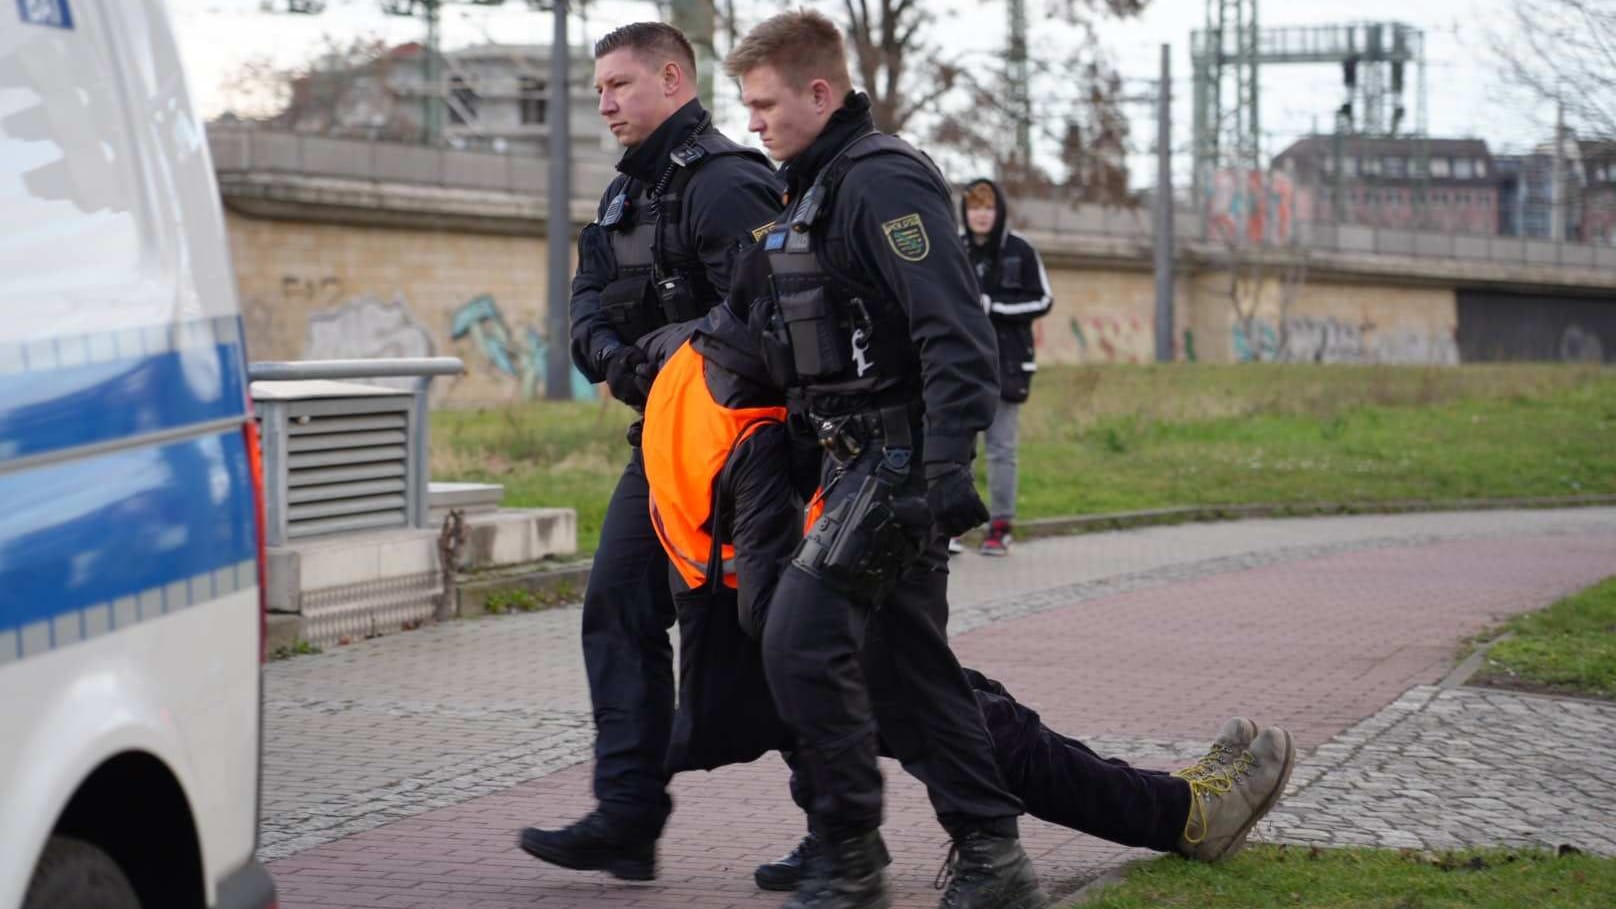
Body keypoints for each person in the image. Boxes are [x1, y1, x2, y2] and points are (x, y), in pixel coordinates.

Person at [631, 312, 1297, 894]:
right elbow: (766, 602)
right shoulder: (761, 429)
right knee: (983, 726)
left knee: (978, 708)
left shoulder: (690, 362)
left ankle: (1173, 798)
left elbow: (628, 359)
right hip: (792, 648)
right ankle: (1184, 813)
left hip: (754, 646)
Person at [720, 12, 1041, 908]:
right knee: (909, 676)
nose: (754, 123)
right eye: (746, 108)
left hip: (892, 466)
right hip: (845, 461)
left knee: (799, 640)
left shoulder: (882, 181)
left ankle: (853, 855)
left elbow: (957, 332)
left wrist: (939, 474)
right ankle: (989, 858)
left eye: (766, 105)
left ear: (820, 94)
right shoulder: (813, 188)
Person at [518, 21, 784, 882]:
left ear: (674, 80)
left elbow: (766, 314)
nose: (604, 103)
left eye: (619, 86)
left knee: (781, 637)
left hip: (751, 453)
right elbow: (586, 302)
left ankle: (843, 828)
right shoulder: (621, 198)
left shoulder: (728, 184)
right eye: (598, 89)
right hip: (665, 448)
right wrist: (620, 355)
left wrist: (659, 349)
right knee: (617, 607)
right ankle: (629, 815)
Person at [951, 179, 1054, 557]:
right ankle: (955, 526)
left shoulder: (1020, 249)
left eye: (988, 207)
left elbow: (1043, 299)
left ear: (1000, 211)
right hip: (960, 365)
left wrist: (994, 306)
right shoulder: (953, 246)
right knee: (959, 446)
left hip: (1007, 365)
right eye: (975, 206)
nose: (981, 214)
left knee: (1001, 449)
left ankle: (1000, 527)